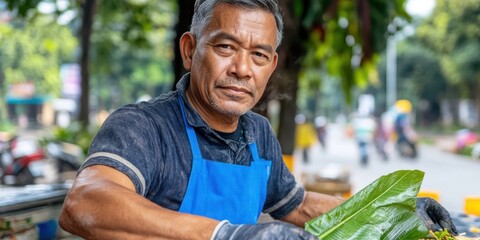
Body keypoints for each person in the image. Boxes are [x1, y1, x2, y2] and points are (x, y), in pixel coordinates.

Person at [58, 0, 457, 239]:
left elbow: (297, 205)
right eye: (226, 47)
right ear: (189, 49)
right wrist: (225, 234)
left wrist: (395, 210)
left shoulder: (257, 133)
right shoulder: (144, 126)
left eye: (259, 55)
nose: (242, 69)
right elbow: (84, 203)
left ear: (272, 66)